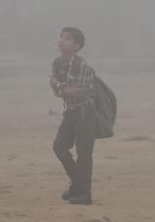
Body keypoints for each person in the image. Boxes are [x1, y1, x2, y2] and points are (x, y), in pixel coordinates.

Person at [50, 27, 101, 205]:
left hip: (86, 113)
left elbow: (78, 90)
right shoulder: (57, 63)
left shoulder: (83, 65)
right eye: (61, 37)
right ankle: (78, 187)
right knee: (59, 147)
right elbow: (57, 90)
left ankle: (84, 194)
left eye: (68, 39)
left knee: (84, 153)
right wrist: (63, 88)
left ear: (77, 46)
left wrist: (60, 86)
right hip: (71, 112)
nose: (62, 41)